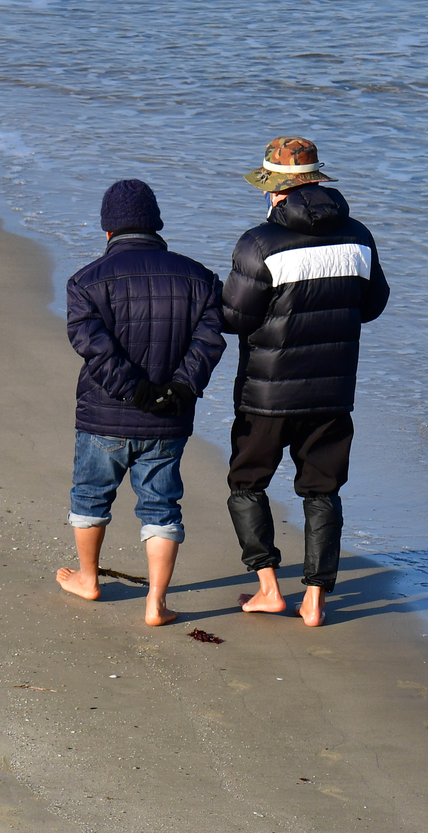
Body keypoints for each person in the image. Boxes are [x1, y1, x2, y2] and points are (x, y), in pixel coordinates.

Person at [221, 137, 389, 627]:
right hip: (332, 392)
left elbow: (234, 317)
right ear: (318, 182)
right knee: (322, 491)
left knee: (247, 482)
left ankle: (268, 588)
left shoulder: (258, 243)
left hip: (266, 394)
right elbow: (373, 306)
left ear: (276, 190)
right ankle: (315, 600)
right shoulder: (358, 236)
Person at [57, 179, 225, 626]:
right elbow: (209, 343)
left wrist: (134, 391)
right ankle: (156, 602)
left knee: (91, 496)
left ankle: (88, 579)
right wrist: (179, 389)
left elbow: (92, 346)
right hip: (168, 420)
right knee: (161, 505)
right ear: (155, 225)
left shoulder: (85, 281)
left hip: (104, 415)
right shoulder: (200, 278)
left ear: (108, 231)